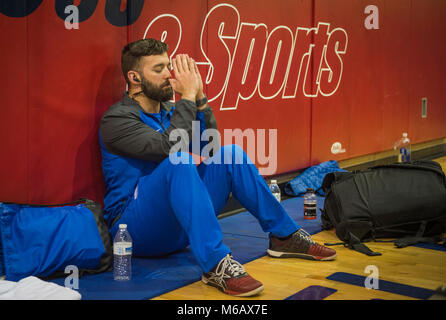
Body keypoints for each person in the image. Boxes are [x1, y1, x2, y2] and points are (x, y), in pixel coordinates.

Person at [99, 38, 336, 297]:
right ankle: (215, 265)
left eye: (169, 66)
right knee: (179, 161)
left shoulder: (170, 111)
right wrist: (187, 98)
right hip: (134, 231)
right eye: (158, 69)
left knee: (229, 154)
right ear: (134, 78)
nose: (169, 74)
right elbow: (170, 148)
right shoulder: (116, 119)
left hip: (177, 227)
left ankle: (284, 235)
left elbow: (209, 149)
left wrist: (199, 99)